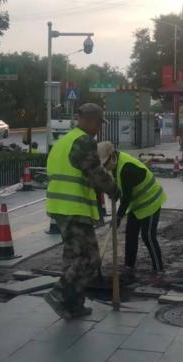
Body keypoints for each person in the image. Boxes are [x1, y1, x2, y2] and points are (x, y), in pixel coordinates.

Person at [44, 103, 118, 319]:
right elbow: (95, 172)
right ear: (90, 120)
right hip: (73, 208)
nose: (98, 129)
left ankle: (73, 304)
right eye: (98, 123)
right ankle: (59, 292)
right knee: (90, 258)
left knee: (72, 257)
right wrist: (113, 188)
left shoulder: (63, 141)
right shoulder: (84, 141)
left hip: (58, 207)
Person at [98, 142, 166, 277]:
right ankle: (129, 266)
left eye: (105, 164)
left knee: (148, 236)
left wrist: (118, 217)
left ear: (112, 156)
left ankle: (159, 269)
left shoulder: (126, 168)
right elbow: (119, 187)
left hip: (151, 200)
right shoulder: (115, 164)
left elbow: (126, 198)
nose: (105, 167)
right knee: (131, 234)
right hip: (137, 204)